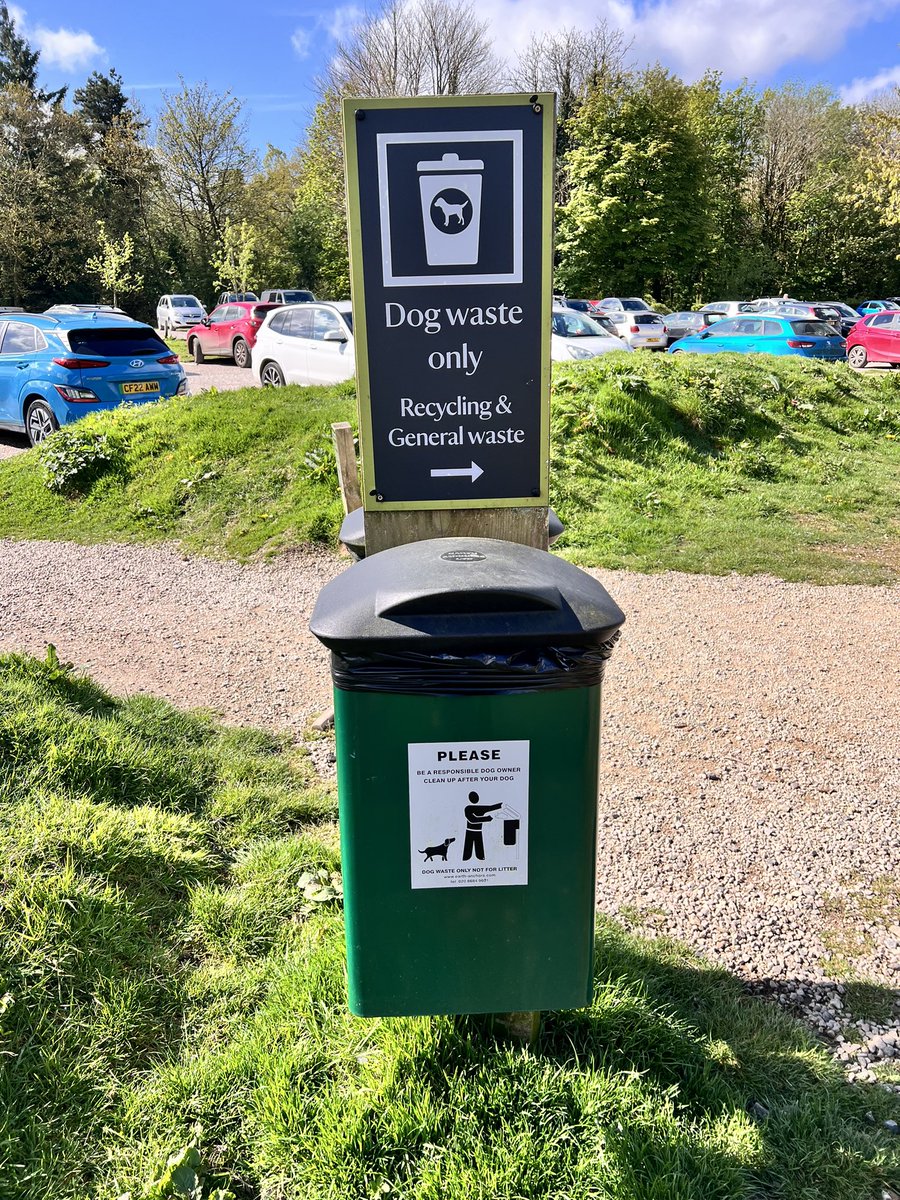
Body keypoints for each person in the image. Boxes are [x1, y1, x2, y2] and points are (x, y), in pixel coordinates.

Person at [462, 791, 502, 861]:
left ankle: (480, 858)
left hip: (478, 831)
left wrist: (501, 805)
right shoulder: (468, 808)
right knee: (467, 854)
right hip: (469, 831)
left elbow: (491, 807)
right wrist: (486, 818)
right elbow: (472, 819)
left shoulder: (479, 808)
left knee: (480, 854)